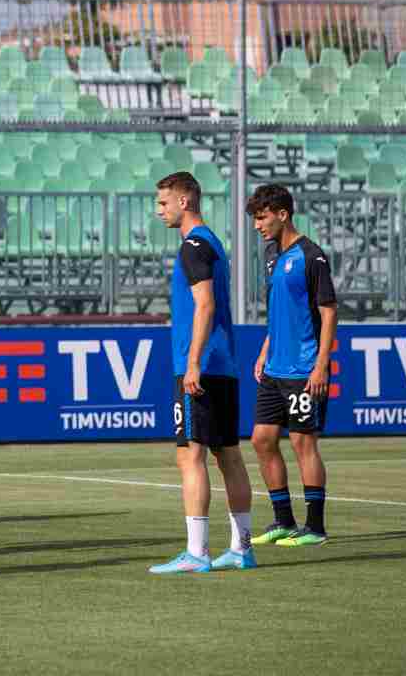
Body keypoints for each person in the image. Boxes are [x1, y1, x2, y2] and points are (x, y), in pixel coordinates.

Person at [148, 173, 255, 574]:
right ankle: (242, 548)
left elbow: (205, 305)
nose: (159, 211)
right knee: (228, 454)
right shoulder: (212, 242)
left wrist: (192, 361)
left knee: (190, 456)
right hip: (223, 364)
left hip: (201, 366)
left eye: (164, 203)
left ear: (185, 200)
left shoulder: (193, 246)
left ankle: (197, 553)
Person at [247, 184, 338, 547]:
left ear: (282, 214)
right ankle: (283, 520)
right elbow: (279, 311)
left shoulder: (311, 256)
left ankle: (314, 528)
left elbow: (328, 312)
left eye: (262, 217)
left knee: (303, 444)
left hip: (303, 368)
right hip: (274, 367)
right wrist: (264, 350)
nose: (257, 225)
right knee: (261, 439)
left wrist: (321, 365)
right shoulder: (272, 254)